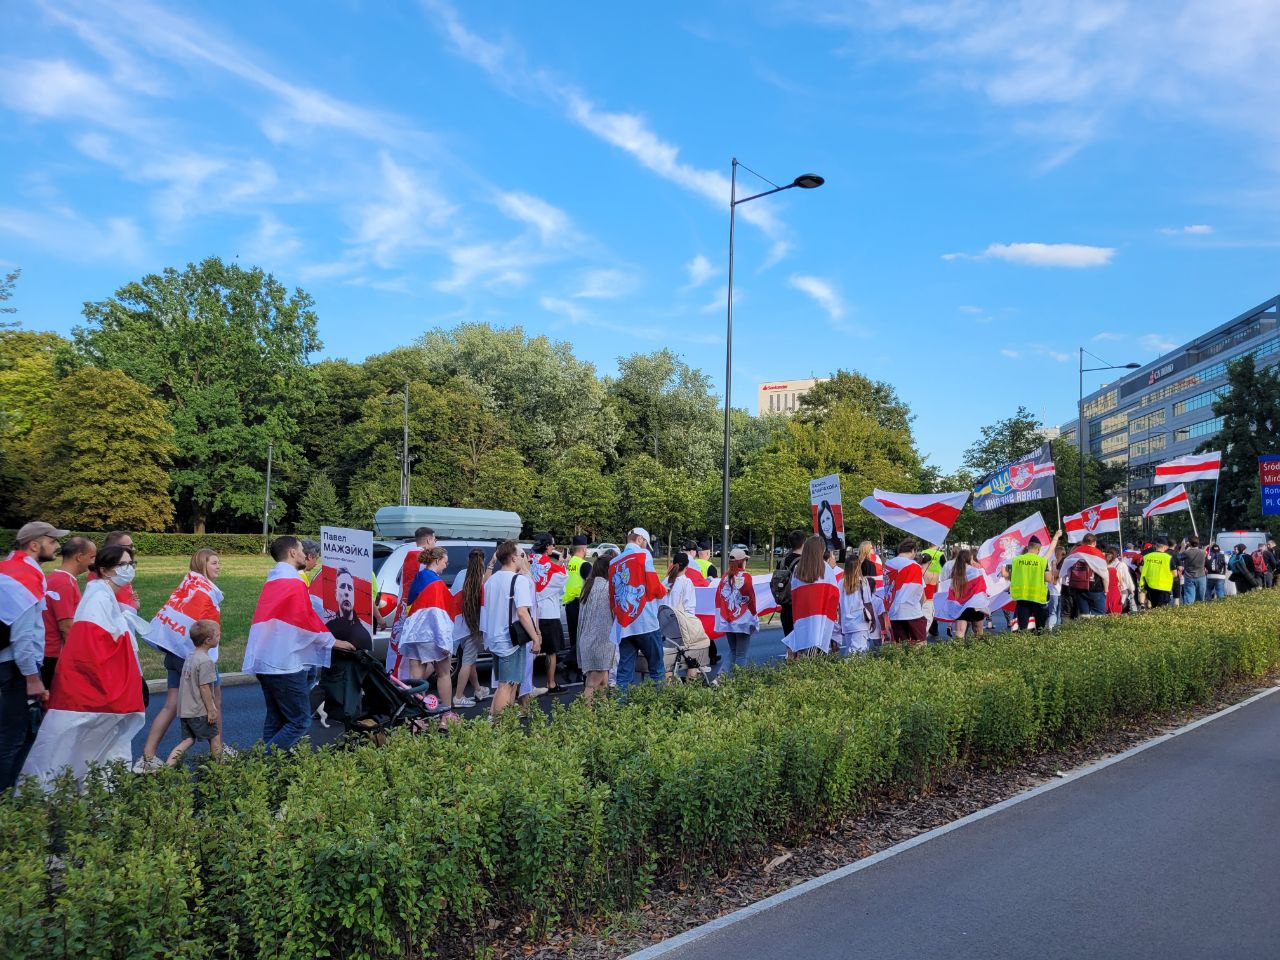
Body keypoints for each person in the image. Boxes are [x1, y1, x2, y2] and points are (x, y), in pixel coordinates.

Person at [21, 544, 145, 784]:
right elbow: (93, 645)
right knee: (73, 746)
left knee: (85, 745)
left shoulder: (102, 593)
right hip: (88, 691)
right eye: (124, 565)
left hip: (88, 689)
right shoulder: (98, 596)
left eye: (132, 564)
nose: (130, 569)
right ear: (106, 570)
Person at [242, 536, 354, 751]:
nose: (306, 555)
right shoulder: (293, 583)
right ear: (292, 553)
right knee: (299, 721)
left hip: (266, 660)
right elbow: (306, 621)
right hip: (284, 663)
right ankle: (264, 761)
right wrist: (334, 642)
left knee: (275, 719)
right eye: (302, 550)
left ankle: (271, 770)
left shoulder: (274, 580)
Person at [134, 549, 224, 773]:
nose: (218, 567)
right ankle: (219, 753)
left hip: (174, 653)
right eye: (214, 563)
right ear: (203, 564)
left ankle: (147, 756)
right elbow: (206, 626)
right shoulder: (205, 592)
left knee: (170, 705)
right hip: (196, 657)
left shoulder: (187, 586)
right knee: (215, 700)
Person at [0, 521, 64, 790]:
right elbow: (24, 635)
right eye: (51, 541)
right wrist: (32, 677)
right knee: (13, 738)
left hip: (10, 663)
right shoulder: (27, 575)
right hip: (16, 667)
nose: (56, 546)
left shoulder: (9, 567)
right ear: (34, 545)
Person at [482, 541, 541, 716]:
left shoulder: (491, 580)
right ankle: (500, 725)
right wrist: (535, 637)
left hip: (494, 637)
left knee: (507, 683)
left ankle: (500, 721)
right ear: (513, 557)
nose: (523, 559)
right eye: (521, 555)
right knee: (506, 685)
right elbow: (523, 613)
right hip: (511, 640)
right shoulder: (518, 580)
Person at [609, 528, 667, 687]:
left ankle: (621, 709)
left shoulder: (613, 562)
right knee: (657, 670)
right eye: (645, 544)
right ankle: (661, 707)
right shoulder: (643, 555)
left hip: (624, 624)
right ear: (640, 539)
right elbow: (654, 586)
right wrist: (664, 590)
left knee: (624, 673)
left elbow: (612, 597)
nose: (646, 548)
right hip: (645, 621)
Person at [398, 546, 455, 707]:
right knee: (444, 673)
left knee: (416, 679)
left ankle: (416, 718)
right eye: (445, 561)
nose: (446, 565)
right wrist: (446, 642)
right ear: (437, 560)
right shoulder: (437, 583)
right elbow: (439, 617)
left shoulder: (418, 578)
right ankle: (446, 714)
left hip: (414, 636)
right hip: (432, 635)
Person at [165, 620, 223, 766]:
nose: (219, 637)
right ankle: (222, 772)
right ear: (208, 641)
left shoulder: (190, 657)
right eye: (217, 635)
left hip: (186, 710)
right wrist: (211, 710)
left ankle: (166, 768)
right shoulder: (206, 661)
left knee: (188, 740)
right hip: (200, 711)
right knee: (215, 739)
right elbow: (204, 687)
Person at [41, 536, 95, 690]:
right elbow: (66, 627)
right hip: (54, 655)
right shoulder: (65, 583)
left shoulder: (53, 578)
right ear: (79, 557)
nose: (93, 562)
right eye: (92, 557)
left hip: (47, 652)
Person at [782, 535, 839, 657]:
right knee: (817, 657)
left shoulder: (798, 569)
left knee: (803, 653)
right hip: (821, 618)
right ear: (821, 550)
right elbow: (834, 596)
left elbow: (794, 593)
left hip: (802, 617)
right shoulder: (826, 569)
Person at [576, 551, 617, 703]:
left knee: (602, 682)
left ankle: (604, 714)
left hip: (587, 640)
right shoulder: (607, 588)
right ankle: (587, 718)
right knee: (592, 684)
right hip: (601, 641)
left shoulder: (589, 585)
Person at [661, 555, 712, 679]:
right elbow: (689, 609)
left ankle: (669, 687)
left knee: (668, 662)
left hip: (665, 627)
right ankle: (691, 682)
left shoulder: (665, 581)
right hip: (681, 627)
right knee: (694, 654)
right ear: (687, 567)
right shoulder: (686, 582)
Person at [530, 536, 569, 693]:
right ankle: (551, 683)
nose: (553, 547)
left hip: (533, 612)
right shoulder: (547, 563)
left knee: (532, 650)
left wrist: (558, 564)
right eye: (552, 544)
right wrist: (563, 564)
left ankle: (525, 684)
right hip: (549, 612)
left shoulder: (531, 560)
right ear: (547, 546)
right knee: (551, 652)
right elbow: (561, 578)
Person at [450, 549, 488, 707]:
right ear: (483, 561)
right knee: (467, 661)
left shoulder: (461, 574)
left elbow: (453, 594)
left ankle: (478, 689)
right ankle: (458, 697)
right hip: (473, 625)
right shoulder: (483, 579)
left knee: (469, 659)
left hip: (458, 623)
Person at [882, 539, 936, 645]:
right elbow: (919, 592)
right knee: (919, 644)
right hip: (911, 611)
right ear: (913, 550)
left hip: (894, 612)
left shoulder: (888, 565)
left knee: (900, 645)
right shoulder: (913, 565)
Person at [714, 547, 758, 671]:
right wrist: (754, 616)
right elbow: (750, 598)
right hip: (742, 620)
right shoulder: (746, 577)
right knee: (741, 655)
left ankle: (720, 678)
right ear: (742, 561)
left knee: (733, 651)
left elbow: (719, 598)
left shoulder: (724, 577)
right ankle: (739, 682)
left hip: (728, 619)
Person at [838, 544, 882, 654]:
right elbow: (868, 603)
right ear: (858, 567)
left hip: (846, 624)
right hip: (860, 622)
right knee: (860, 654)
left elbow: (839, 605)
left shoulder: (841, 583)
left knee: (850, 651)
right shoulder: (863, 582)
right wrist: (872, 619)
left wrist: (840, 623)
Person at [938, 548, 988, 639]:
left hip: (959, 606)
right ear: (969, 559)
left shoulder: (955, 572)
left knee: (960, 631)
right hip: (975, 605)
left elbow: (948, 586)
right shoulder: (976, 571)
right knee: (978, 631)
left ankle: (958, 652)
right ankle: (979, 652)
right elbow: (982, 589)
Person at [87, 530, 140, 611]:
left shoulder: (119, 572)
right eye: (130, 546)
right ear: (115, 547)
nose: (133, 549)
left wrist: (133, 603)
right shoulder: (99, 576)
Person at [1009, 536, 1053, 632]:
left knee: (1023, 628)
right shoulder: (1042, 561)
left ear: (1028, 547)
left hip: (1022, 597)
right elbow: (1048, 579)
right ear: (1038, 549)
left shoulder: (1016, 560)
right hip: (1038, 598)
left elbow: (1011, 576)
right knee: (1039, 628)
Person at [562, 535, 591, 676]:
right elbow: (591, 585)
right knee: (583, 637)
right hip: (580, 603)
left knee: (575, 636)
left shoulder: (569, 562)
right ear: (584, 549)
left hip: (568, 604)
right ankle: (570, 661)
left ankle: (575, 668)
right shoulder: (584, 565)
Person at [1065, 534, 1108, 618]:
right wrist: (1106, 590)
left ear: (1083, 542)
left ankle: (1085, 630)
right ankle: (1096, 630)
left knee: (1084, 615)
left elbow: (1067, 569)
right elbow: (1105, 574)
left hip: (1079, 588)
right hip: (1095, 588)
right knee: (1099, 614)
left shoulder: (1075, 552)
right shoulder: (1098, 553)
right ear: (1094, 543)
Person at [774, 530, 807, 635]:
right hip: (800, 607)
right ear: (803, 543)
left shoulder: (782, 561)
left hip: (786, 607)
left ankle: (790, 652)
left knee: (789, 642)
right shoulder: (805, 562)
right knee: (801, 642)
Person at [1141, 537, 1176, 607]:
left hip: (1150, 586)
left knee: (1154, 606)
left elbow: (1141, 569)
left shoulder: (1146, 557)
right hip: (1164, 587)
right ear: (1164, 547)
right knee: (1162, 609)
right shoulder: (1168, 558)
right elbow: (1175, 574)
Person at [1178, 537, 1207, 605]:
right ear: (1198, 543)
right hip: (1201, 577)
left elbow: (1178, 557)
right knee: (1200, 599)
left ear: (1189, 543)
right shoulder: (1203, 552)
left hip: (1189, 577)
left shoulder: (1187, 553)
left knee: (1189, 599)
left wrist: (1183, 546)